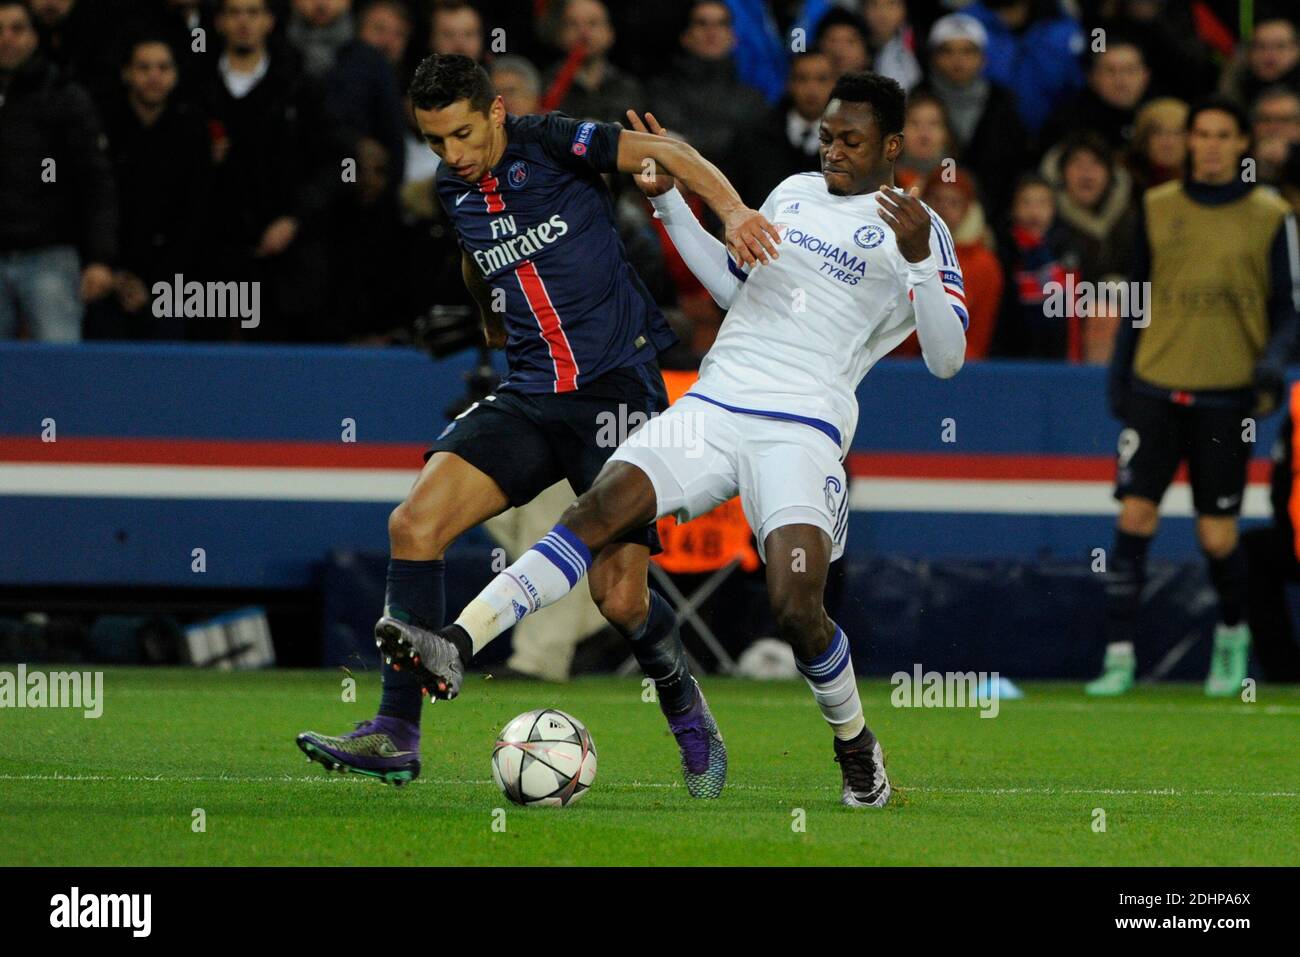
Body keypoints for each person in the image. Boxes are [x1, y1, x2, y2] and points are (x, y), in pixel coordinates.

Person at [391, 73, 968, 808]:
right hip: (715, 403)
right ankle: (458, 641)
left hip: (803, 429)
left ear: (892, 146)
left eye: (850, 141)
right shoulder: (792, 192)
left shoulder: (918, 228)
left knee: (796, 606)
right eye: (826, 136)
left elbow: (948, 359)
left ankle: (856, 746)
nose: (833, 152)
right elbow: (735, 290)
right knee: (597, 512)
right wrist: (668, 202)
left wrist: (918, 257)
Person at [297, 53, 781, 796]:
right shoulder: (454, 191)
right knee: (412, 525)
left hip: (616, 391)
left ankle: (683, 701)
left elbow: (671, 151)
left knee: (620, 600)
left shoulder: (552, 140)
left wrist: (736, 213)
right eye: (434, 143)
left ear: (494, 111)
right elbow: (476, 260)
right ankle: (396, 733)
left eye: (462, 133)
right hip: (529, 393)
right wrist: (490, 318)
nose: (452, 156)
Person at [1092, 96, 1300, 697]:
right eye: (1199, 134)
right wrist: (1119, 379)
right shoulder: (1156, 206)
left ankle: (1232, 638)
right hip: (1156, 386)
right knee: (1135, 516)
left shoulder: (1271, 214)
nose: (1208, 145)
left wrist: (1271, 363)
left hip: (1227, 395)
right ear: (1188, 142)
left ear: (1242, 145)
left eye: (1221, 135)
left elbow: (1290, 310)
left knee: (1217, 535)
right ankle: (1118, 655)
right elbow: (1135, 299)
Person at [0, 0, 116, 342]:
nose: (7, 39)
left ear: (35, 37)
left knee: (60, 370)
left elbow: (97, 182)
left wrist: (101, 258)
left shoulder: (66, 96)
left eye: (18, 29)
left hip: (50, 257)